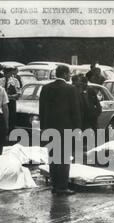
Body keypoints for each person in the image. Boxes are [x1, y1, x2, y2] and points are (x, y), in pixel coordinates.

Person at [40, 65, 82, 195]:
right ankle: (62, 187)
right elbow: (75, 111)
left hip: (49, 128)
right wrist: (77, 129)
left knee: (53, 158)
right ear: (64, 74)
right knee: (64, 159)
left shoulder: (46, 88)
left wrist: (43, 128)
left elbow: (41, 110)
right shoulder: (71, 89)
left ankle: (55, 186)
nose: (70, 76)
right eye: (69, 74)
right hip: (66, 129)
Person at [0, 66, 21, 134]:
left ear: (11, 73)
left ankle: (10, 134)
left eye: (8, 72)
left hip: (11, 103)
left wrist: (8, 97)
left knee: (11, 118)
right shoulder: (0, 80)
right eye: (5, 72)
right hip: (2, 103)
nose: (7, 74)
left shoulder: (15, 81)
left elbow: (18, 94)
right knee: (2, 118)